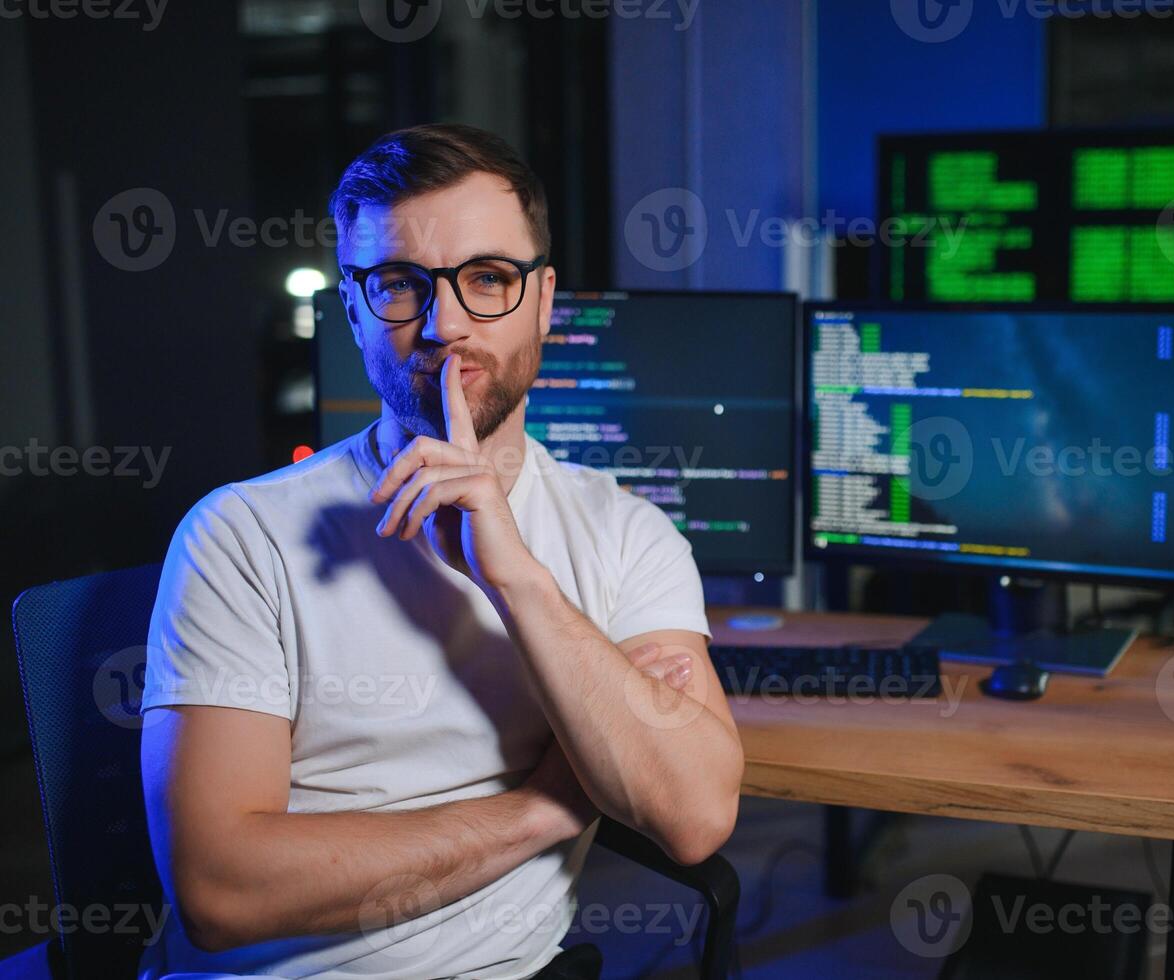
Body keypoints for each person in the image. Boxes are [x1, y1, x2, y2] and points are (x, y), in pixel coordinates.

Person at [138, 123, 743, 979]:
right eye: (397, 285)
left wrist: (516, 577)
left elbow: (691, 815)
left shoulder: (625, 533)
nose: (444, 325)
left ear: (543, 299)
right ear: (350, 307)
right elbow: (219, 893)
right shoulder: (239, 536)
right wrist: (542, 808)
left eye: (488, 278)